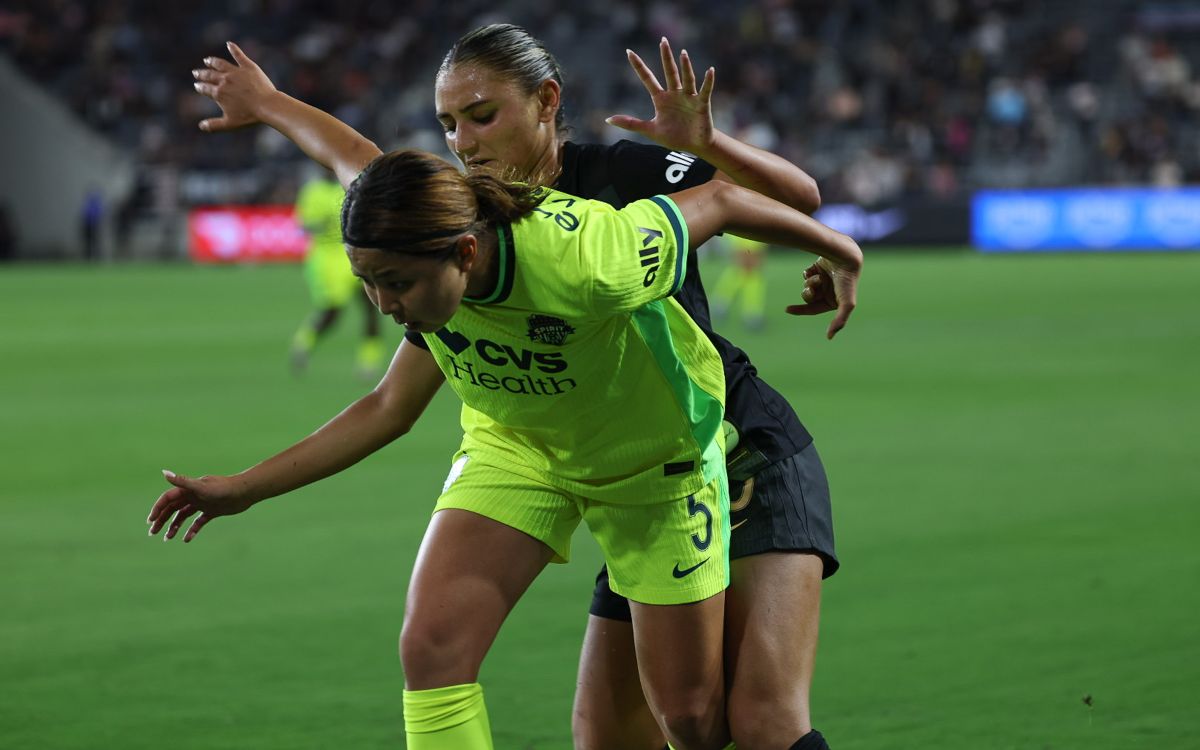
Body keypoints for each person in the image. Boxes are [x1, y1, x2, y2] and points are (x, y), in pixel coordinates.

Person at [189, 29, 852, 750]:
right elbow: (356, 163)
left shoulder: (605, 200)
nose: (464, 142)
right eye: (448, 124)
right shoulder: (431, 226)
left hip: (704, 440)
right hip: (548, 443)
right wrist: (269, 101)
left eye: (481, 116)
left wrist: (716, 154)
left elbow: (782, 197)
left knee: (738, 724)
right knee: (478, 669)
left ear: (546, 102)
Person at [290, 166, 385, 378]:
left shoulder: (349, 186)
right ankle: (304, 341)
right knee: (333, 312)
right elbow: (302, 225)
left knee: (372, 305)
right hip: (326, 259)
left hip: (351, 253)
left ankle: (369, 362)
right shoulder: (313, 192)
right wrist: (318, 225)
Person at [712, 234, 770, 331]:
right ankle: (751, 312)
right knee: (747, 271)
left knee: (745, 272)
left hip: (749, 231)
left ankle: (721, 303)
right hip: (742, 232)